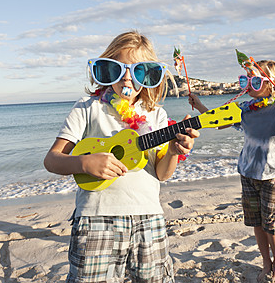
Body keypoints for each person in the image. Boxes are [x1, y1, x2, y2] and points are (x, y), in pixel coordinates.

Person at [44, 31, 199, 283]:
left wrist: (173, 150)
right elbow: (52, 160)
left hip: (149, 218)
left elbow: (162, 174)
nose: (127, 78)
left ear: (150, 76)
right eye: (117, 69)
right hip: (96, 218)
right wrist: (84, 162)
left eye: (138, 71)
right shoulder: (88, 107)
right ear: (105, 70)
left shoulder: (156, 116)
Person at [189, 60, 275, 282]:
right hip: (248, 174)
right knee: (256, 223)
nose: (247, 85)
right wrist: (199, 106)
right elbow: (217, 122)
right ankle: (266, 262)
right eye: (245, 80)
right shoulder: (245, 108)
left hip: (272, 176)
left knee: (273, 226)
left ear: (270, 84)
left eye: (254, 80)